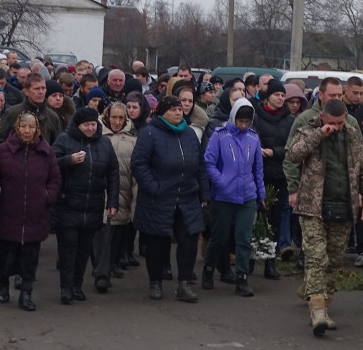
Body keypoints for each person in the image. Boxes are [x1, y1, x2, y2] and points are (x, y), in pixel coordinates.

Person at [287, 99, 363, 336]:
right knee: (316, 259)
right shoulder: (308, 129)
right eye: (332, 122)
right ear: (323, 117)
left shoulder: (353, 135)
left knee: (334, 260)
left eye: (340, 122)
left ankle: (323, 303)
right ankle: (317, 312)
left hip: (343, 207)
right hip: (313, 206)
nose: (336, 126)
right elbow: (294, 155)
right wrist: (320, 135)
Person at [131, 96, 209, 302]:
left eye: (180, 109)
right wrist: (153, 187)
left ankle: (184, 284)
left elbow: (201, 165)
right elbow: (139, 163)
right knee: (157, 242)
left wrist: (204, 192)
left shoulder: (190, 134)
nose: (178, 112)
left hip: (187, 196)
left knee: (189, 240)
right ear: (162, 112)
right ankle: (155, 282)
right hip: (159, 197)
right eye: (173, 109)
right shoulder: (150, 133)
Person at [0, 112, 61, 311]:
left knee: (30, 258)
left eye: (31, 127)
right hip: (7, 212)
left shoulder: (46, 152)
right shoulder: (3, 151)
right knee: (5, 254)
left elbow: (55, 179)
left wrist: (47, 196)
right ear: (17, 128)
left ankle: (26, 294)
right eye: (23, 127)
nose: (27, 131)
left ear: (37, 129)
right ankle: (2, 285)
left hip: (35, 214)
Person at [51, 107, 119, 303]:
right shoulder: (65, 140)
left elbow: (113, 173)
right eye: (86, 124)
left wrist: (112, 201)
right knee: (68, 248)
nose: (90, 128)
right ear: (77, 125)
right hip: (68, 203)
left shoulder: (104, 143)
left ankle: (77, 286)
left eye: (93, 124)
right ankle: (66, 288)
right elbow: (51, 163)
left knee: (84, 250)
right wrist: (68, 160)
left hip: (94, 205)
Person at [203, 97, 265, 296]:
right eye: (241, 121)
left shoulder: (253, 138)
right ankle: (209, 269)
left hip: (247, 196)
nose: (243, 125)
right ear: (233, 117)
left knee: (243, 238)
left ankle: (242, 278)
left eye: (247, 122)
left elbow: (258, 168)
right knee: (219, 237)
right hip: (223, 197)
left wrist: (260, 194)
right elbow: (209, 162)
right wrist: (221, 182)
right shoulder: (219, 136)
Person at [252, 79, 294, 278]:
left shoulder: (289, 120)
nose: (280, 98)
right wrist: (258, 150)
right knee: (256, 219)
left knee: (275, 221)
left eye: (283, 95)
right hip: (259, 176)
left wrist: (274, 151)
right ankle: (251, 260)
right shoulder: (256, 116)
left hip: (279, 176)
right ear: (269, 96)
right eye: (277, 95)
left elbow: (292, 146)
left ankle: (270, 262)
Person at [101, 101, 137, 280]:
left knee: (118, 234)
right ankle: (102, 268)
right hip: (102, 193)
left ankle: (114, 262)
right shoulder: (99, 137)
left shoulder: (132, 141)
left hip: (123, 193)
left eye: (120, 118)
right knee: (103, 234)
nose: (116, 121)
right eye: (113, 117)